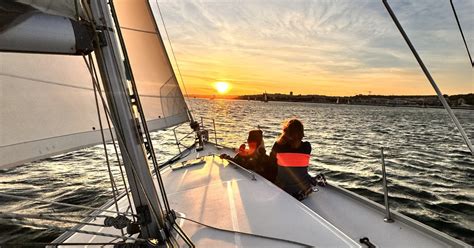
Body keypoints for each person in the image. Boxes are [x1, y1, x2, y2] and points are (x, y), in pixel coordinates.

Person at [270, 118, 318, 200]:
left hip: (282, 188)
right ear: (302, 133)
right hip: (303, 188)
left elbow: (271, 163)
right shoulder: (307, 146)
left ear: (286, 132)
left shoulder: (278, 146)